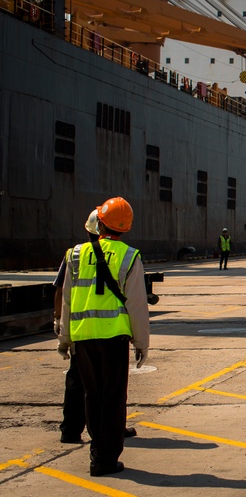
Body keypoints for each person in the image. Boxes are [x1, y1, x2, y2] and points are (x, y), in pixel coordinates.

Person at [57, 197, 150, 476]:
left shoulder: (74, 254)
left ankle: (96, 451)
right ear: (126, 227)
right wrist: (142, 343)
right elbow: (137, 305)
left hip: (83, 337)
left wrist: (64, 338)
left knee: (92, 396)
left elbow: (67, 300)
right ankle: (105, 460)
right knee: (113, 398)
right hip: (114, 338)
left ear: (100, 222)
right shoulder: (129, 256)